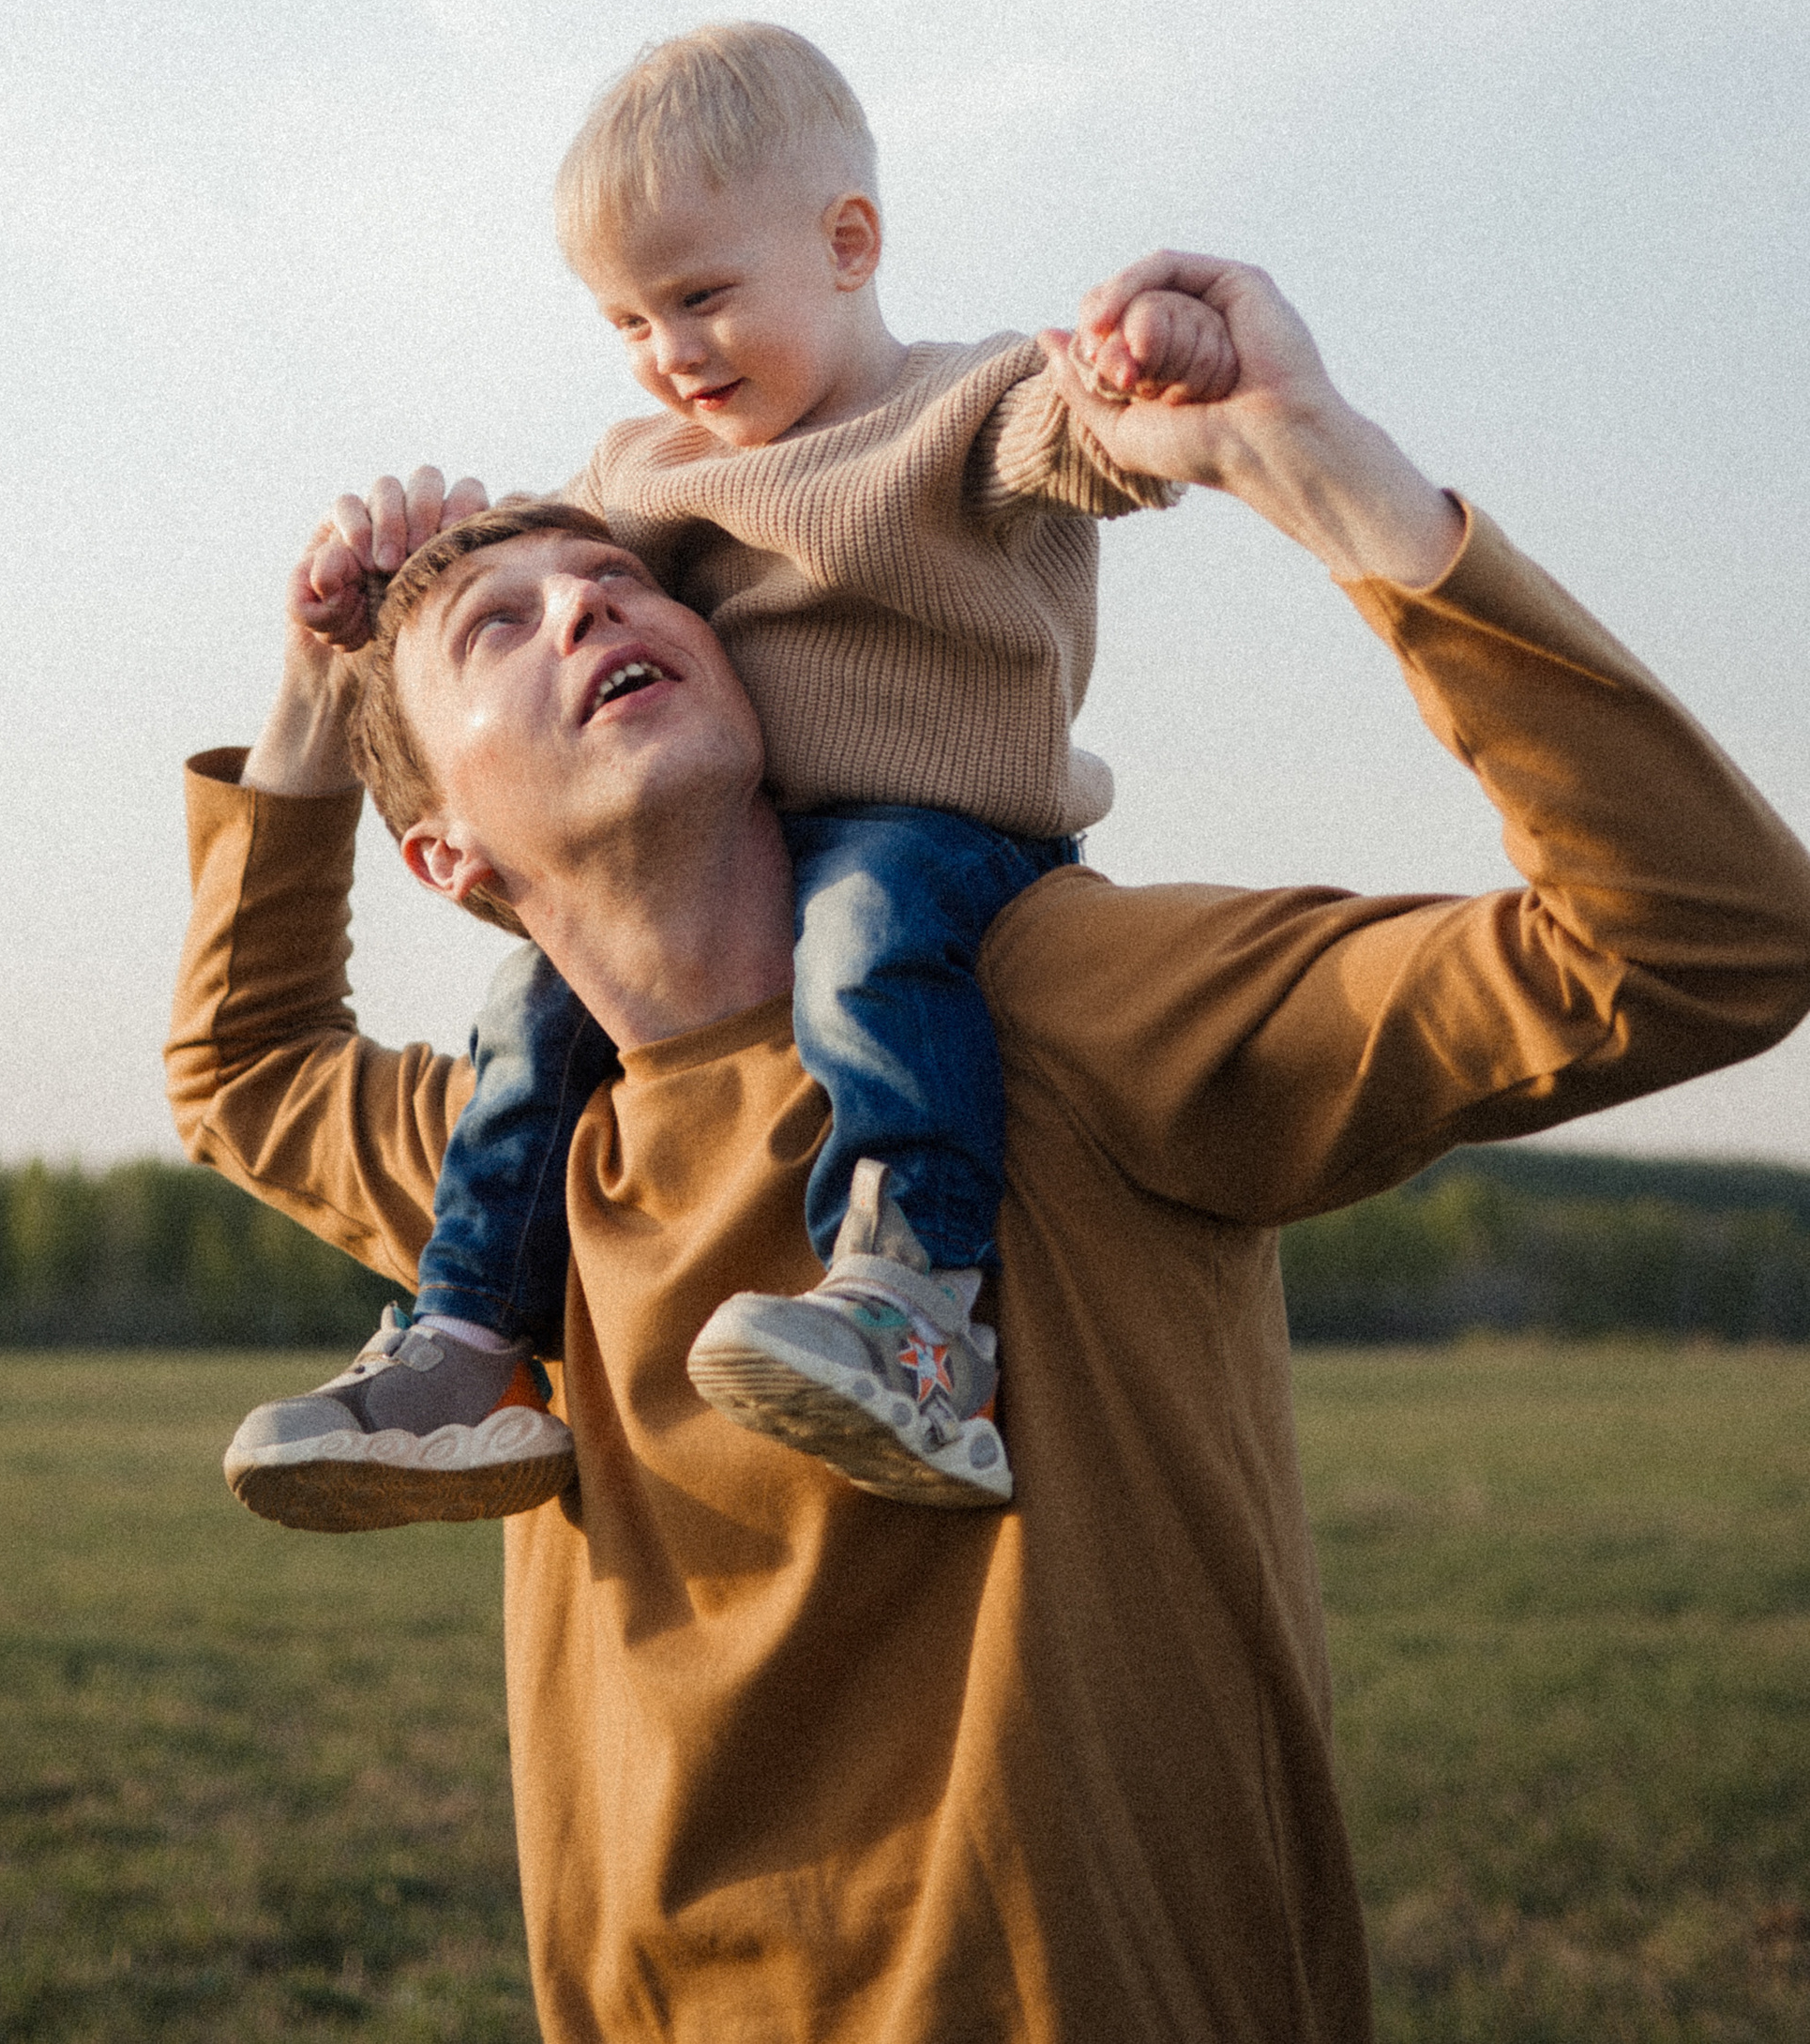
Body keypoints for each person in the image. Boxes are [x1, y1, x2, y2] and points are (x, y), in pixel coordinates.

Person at [165, 255, 1810, 2044]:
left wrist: (1326, 471)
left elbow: (1701, 937)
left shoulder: (1068, 1008)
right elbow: (242, 1068)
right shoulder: (510, 1176)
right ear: (449, 859)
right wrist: (319, 701)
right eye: (498, 623)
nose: (580, 609)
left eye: (625, 578)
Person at [227, 24, 1238, 1526]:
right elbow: (508, 609)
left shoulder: (956, 405)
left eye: (701, 297)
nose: (671, 354)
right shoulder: (643, 470)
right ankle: (473, 1345)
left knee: (865, 948)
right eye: (628, 320)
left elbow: (1080, 435)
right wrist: (379, 604)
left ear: (847, 244)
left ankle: (913, 1298)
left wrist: (1143, 374)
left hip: (945, 839)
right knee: (529, 1010)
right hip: (763, 856)